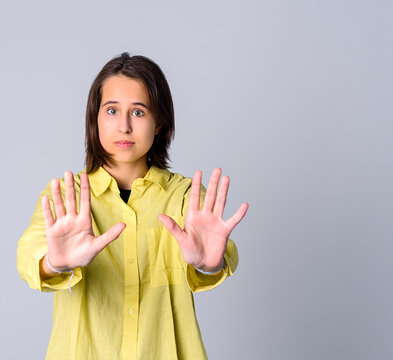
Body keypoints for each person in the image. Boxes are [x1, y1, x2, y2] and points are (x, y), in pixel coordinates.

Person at [17, 52, 249, 359]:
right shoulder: (66, 195)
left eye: (138, 113)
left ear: (159, 123)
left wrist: (209, 264)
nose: (124, 126)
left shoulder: (185, 197)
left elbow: (219, 254)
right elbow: (29, 253)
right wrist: (55, 263)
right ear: (95, 119)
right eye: (112, 111)